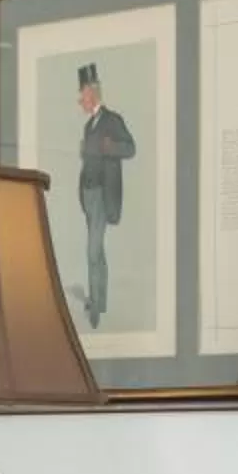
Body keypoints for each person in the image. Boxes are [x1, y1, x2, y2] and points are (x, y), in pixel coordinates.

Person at [73, 62, 136, 328]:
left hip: (101, 194)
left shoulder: (113, 120)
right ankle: (103, 300)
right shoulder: (88, 127)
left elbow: (131, 148)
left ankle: (96, 306)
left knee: (92, 249)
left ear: (93, 93)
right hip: (88, 194)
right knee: (97, 250)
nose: (80, 101)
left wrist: (110, 147)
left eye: (83, 95)